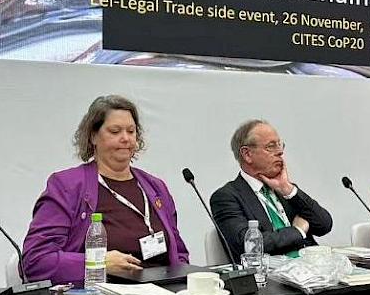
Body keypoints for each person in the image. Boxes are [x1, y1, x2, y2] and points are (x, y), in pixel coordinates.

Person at [22, 95, 189, 284]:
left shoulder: (156, 187)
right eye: (115, 131)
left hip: (164, 294)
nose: (125, 138)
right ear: (93, 136)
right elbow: (36, 261)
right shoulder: (66, 186)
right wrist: (98, 263)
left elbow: (179, 254)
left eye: (131, 131)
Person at [211, 119, 333, 257]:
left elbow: (324, 225)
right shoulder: (226, 197)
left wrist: (288, 190)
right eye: (271, 146)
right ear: (247, 154)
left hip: (309, 266)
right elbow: (249, 246)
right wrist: (297, 231)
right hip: (271, 269)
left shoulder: (286, 192)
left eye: (280, 145)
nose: (280, 152)